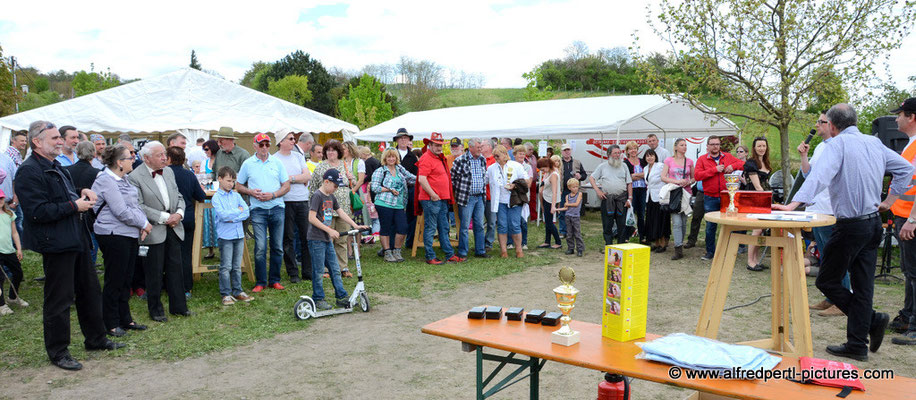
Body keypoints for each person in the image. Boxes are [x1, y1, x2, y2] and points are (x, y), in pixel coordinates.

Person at [776, 103, 912, 361]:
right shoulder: (874, 143)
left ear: (834, 126)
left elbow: (818, 177)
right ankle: (857, 345)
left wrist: (793, 204)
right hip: (873, 223)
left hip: (851, 226)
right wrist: (891, 200)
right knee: (863, 287)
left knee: (826, 281)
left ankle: (871, 321)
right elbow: (906, 169)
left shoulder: (835, 145)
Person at [17, 121, 123, 371]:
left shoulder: (55, 166)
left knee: (89, 291)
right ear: (36, 142)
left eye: (58, 137)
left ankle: (96, 339)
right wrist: (75, 206)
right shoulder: (29, 171)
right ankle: (58, 352)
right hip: (55, 243)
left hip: (75, 238)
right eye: (54, 138)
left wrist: (81, 190)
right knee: (59, 300)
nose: (59, 141)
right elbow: (36, 211)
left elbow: (63, 193)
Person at [91, 144, 151, 336]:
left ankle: (126, 319)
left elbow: (134, 205)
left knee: (126, 279)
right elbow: (121, 211)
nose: (133, 159)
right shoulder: (106, 180)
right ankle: (110, 322)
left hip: (128, 233)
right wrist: (143, 223)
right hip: (112, 234)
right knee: (115, 279)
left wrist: (143, 223)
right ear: (119, 162)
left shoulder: (124, 179)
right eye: (129, 157)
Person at [128, 140, 190, 322]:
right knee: (154, 272)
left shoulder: (169, 171)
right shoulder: (135, 177)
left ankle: (179, 307)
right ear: (146, 158)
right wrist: (165, 217)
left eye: (164, 154)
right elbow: (138, 206)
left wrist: (178, 214)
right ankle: (155, 310)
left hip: (174, 226)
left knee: (175, 269)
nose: (164, 158)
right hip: (154, 230)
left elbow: (179, 196)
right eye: (159, 155)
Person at [799, 111, 847, 318]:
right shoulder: (819, 147)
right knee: (825, 256)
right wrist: (803, 156)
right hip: (815, 207)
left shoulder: (839, 147)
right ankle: (831, 296)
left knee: (837, 256)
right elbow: (809, 175)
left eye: (821, 121)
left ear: (832, 125)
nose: (817, 125)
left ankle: (845, 299)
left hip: (830, 208)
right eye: (817, 121)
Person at [236, 133, 290, 292]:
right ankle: (260, 281)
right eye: (261, 144)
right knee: (260, 246)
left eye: (267, 144)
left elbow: (286, 185)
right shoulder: (248, 164)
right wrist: (251, 192)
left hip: (277, 207)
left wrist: (273, 195)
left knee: (277, 246)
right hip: (258, 209)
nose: (265, 147)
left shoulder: (277, 162)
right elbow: (238, 186)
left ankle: (274, 280)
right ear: (255, 146)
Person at [308, 169, 368, 311]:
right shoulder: (317, 196)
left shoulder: (331, 197)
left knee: (335, 269)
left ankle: (341, 296)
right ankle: (318, 298)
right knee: (318, 271)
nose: (336, 189)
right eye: (335, 186)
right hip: (316, 239)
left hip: (326, 239)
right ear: (326, 181)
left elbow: (341, 212)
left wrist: (355, 225)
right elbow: (311, 218)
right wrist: (329, 230)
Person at [887, 98, 916, 345]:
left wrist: (913, 220)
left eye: (900, 115)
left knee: (915, 273)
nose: (896, 119)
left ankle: (914, 326)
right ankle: (907, 317)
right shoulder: (910, 145)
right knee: (909, 272)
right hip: (903, 215)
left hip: (911, 218)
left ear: (912, 117)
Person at [694, 135, 744, 260]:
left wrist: (733, 166)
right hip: (710, 196)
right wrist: (714, 170)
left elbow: (743, 164)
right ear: (707, 146)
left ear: (719, 145)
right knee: (711, 225)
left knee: (729, 224)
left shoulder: (727, 156)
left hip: (727, 196)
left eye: (717, 144)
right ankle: (710, 252)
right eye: (712, 144)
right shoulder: (702, 159)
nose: (715, 146)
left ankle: (730, 250)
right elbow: (697, 175)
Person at [308, 140, 355, 275]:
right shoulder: (320, 167)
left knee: (342, 239)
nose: (330, 153)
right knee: (326, 239)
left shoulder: (345, 165)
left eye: (333, 150)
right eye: (328, 150)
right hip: (325, 208)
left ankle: (343, 267)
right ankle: (326, 268)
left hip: (343, 207)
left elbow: (351, 184)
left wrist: (352, 178)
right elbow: (313, 189)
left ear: (338, 152)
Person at [166, 146, 207, 297]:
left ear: (168, 159)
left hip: (169, 218)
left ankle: (170, 285)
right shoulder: (189, 175)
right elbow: (201, 195)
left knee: (168, 254)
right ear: (183, 160)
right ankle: (186, 288)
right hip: (187, 217)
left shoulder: (163, 174)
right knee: (185, 253)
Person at [211, 166, 254, 306]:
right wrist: (238, 212)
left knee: (236, 265)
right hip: (225, 236)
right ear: (220, 179)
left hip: (238, 234)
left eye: (233, 181)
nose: (231, 184)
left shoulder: (236, 195)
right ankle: (225, 293)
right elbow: (223, 215)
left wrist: (233, 215)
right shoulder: (216, 197)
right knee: (226, 266)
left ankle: (237, 290)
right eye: (228, 180)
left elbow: (246, 211)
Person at [274, 129, 312, 283]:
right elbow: (277, 180)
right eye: (290, 138)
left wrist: (289, 178)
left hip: (302, 199)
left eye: (293, 138)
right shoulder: (274, 159)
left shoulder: (298, 156)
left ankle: (308, 271)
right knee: (288, 237)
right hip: (285, 201)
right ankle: (293, 272)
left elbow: (307, 176)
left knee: (306, 236)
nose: (293, 141)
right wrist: (298, 178)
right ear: (281, 141)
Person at [417, 132, 461, 264]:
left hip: (440, 198)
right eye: (436, 145)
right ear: (429, 145)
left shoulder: (438, 158)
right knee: (431, 227)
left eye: (440, 145)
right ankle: (430, 256)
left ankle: (449, 254)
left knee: (444, 227)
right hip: (432, 198)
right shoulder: (426, 158)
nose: (439, 147)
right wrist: (432, 194)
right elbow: (422, 179)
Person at [371, 147, 416, 262]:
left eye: (393, 156)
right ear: (384, 158)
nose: (391, 159)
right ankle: (387, 252)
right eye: (389, 156)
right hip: (384, 203)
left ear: (397, 158)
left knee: (403, 227)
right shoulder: (380, 171)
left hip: (399, 204)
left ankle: (397, 250)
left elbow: (412, 178)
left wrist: (426, 178)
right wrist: (390, 189)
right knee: (385, 228)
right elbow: (374, 187)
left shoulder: (400, 169)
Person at [486, 145, 529, 258]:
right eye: (494, 156)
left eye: (497, 156)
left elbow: (525, 180)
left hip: (514, 200)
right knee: (502, 226)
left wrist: (514, 185)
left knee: (515, 225)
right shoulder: (491, 168)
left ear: (505, 154)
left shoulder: (516, 166)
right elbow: (485, 180)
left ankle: (519, 250)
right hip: (500, 202)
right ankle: (503, 251)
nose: (495, 158)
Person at [451, 138, 489, 259]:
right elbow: (453, 179)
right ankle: (462, 252)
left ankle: (480, 250)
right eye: (478, 147)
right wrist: (459, 192)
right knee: (464, 226)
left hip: (479, 197)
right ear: (471, 147)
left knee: (479, 225)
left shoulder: (482, 159)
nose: (480, 150)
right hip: (466, 197)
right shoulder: (460, 160)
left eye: (481, 147)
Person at [66, 141, 103, 267]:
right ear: (93, 154)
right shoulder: (98, 173)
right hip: (90, 215)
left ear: (77, 153)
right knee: (90, 246)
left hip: (70, 213)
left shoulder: (66, 170)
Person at [590, 145, 633, 245]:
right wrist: (598, 191)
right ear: (609, 154)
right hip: (607, 199)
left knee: (622, 225)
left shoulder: (624, 166)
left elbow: (629, 183)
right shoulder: (602, 166)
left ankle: (620, 246)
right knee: (607, 224)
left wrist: (630, 198)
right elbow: (592, 178)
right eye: (615, 153)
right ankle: (609, 245)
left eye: (619, 153)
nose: (618, 155)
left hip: (621, 199)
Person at [661, 139, 695, 260]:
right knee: (676, 222)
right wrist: (676, 181)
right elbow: (663, 177)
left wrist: (688, 182)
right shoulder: (669, 160)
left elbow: (693, 177)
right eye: (682, 145)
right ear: (675, 147)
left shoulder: (689, 161)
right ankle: (678, 248)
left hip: (686, 194)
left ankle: (680, 242)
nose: (684, 147)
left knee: (684, 222)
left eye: (685, 145)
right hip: (674, 193)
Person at [744, 137, 773, 271]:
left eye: (764, 146)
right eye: (759, 146)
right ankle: (750, 261)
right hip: (756, 198)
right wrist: (765, 200)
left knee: (761, 229)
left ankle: (755, 260)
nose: (762, 148)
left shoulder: (765, 162)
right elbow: (757, 186)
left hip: (766, 196)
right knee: (756, 229)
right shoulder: (751, 163)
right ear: (754, 148)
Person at [393, 128, 419, 248]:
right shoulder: (391, 154)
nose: (403, 140)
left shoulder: (413, 156)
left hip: (410, 189)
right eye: (401, 138)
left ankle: (410, 242)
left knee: (412, 215)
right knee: (394, 215)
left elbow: (416, 175)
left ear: (409, 140)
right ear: (397, 140)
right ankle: (393, 243)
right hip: (394, 190)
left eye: (405, 138)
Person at [0, 189, 24, 316]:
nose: (0, 201)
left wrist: (19, 248)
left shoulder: (9, 214)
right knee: (0, 278)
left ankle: (12, 297)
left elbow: (14, 232)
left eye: (2, 198)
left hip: (9, 250)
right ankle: (1, 305)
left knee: (18, 273)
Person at [0, 130, 28, 235]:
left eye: (25, 141)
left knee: (15, 224)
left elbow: (14, 179)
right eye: (22, 141)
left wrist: (15, 200)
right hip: (7, 200)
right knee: (15, 224)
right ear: (13, 141)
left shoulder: (7, 158)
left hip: (8, 200)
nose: (24, 143)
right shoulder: (11, 155)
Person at [643, 149, 670, 252]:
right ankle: (656, 243)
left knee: (660, 220)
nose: (650, 158)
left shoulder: (660, 166)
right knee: (652, 220)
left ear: (655, 157)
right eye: (647, 156)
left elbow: (665, 177)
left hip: (659, 197)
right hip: (650, 197)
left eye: (652, 155)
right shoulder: (645, 168)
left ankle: (663, 244)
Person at [558, 143, 587, 237]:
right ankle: (563, 231)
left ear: (571, 151)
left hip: (574, 192)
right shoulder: (558, 162)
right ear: (561, 152)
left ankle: (573, 231)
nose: (567, 152)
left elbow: (584, 175)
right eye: (565, 150)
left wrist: (580, 176)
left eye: (568, 150)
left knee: (574, 212)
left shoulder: (577, 162)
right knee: (563, 211)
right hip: (563, 190)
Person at [624, 141, 648, 244]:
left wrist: (635, 175)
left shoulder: (643, 161)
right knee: (630, 213)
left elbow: (647, 174)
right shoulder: (625, 163)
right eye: (631, 149)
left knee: (641, 214)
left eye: (635, 148)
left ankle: (642, 236)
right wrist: (641, 174)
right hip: (631, 190)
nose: (633, 150)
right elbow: (628, 177)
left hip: (642, 190)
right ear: (627, 151)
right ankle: (626, 237)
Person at [537, 157, 562, 249]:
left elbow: (555, 191)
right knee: (547, 221)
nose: (542, 171)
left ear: (547, 166)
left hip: (550, 200)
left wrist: (553, 206)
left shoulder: (554, 175)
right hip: (546, 198)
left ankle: (558, 242)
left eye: (543, 169)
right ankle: (547, 241)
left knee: (549, 223)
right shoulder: (548, 173)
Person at [201, 139, 220, 259]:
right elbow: (202, 177)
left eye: (207, 149)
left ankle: (222, 248)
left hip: (219, 190)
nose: (206, 152)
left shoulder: (221, 160)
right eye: (204, 150)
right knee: (208, 220)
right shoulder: (205, 162)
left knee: (219, 219)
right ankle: (210, 249)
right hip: (208, 191)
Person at [512, 144, 532, 250]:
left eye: (523, 154)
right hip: (513, 197)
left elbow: (528, 183)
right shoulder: (510, 166)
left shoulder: (528, 167)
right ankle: (510, 242)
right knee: (513, 220)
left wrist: (516, 185)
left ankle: (524, 242)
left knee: (523, 221)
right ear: (515, 155)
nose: (522, 155)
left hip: (523, 197)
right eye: (520, 153)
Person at [479, 139, 498, 250]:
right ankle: (480, 243)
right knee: (479, 222)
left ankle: (488, 243)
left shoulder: (494, 161)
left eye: (482, 145)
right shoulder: (479, 159)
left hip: (491, 196)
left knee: (491, 222)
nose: (480, 147)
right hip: (480, 196)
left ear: (489, 147)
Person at [558, 178, 584, 256]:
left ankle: (580, 249)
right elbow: (566, 208)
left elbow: (576, 204)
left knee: (577, 233)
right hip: (568, 216)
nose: (575, 188)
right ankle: (570, 248)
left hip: (575, 217)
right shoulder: (567, 196)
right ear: (569, 188)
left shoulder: (579, 194)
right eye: (573, 187)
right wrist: (558, 209)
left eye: (577, 187)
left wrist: (567, 204)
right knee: (569, 233)